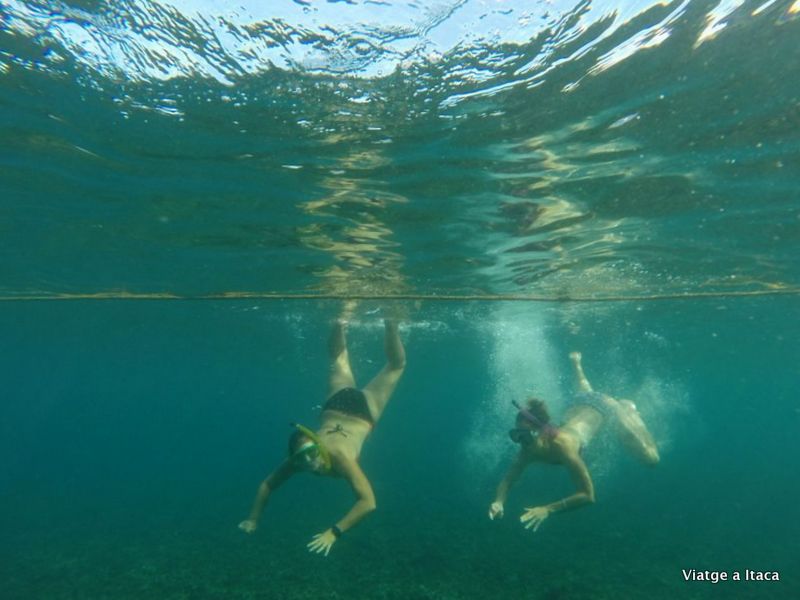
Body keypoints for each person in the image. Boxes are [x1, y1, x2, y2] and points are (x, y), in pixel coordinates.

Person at [238, 319, 406, 556]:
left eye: (310, 452)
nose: (309, 461)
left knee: (395, 366)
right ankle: (356, 321)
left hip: (361, 412)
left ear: (316, 444)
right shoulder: (298, 461)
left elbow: (369, 502)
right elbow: (267, 485)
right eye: (302, 457)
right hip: (334, 405)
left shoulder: (338, 457)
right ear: (295, 457)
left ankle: (358, 321)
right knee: (341, 359)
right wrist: (252, 519)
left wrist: (334, 532)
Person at [488, 351, 659, 533]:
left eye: (524, 436)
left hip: (607, 407)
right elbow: (508, 479)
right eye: (516, 435)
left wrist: (548, 509)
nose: (521, 442)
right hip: (581, 401)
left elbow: (588, 495)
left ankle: (627, 408)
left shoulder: (563, 446)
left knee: (651, 459)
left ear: (539, 432)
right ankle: (577, 363)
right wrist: (498, 501)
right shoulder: (527, 450)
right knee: (588, 393)